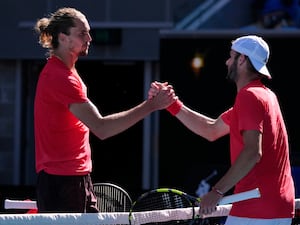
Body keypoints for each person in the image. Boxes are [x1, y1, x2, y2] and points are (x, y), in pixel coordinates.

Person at [33, 7, 176, 213]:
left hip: (74, 178)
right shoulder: (60, 77)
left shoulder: (67, 73)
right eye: (82, 33)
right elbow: (101, 128)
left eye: (89, 32)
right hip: (63, 182)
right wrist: (151, 105)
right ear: (63, 38)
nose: (89, 38)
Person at [149, 35, 295, 224]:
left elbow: (252, 152)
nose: (227, 62)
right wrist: (172, 104)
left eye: (231, 56)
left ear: (241, 59)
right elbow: (211, 130)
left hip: (257, 209)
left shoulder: (249, 96)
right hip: (272, 206)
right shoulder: (265, 96)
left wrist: (217, 191)